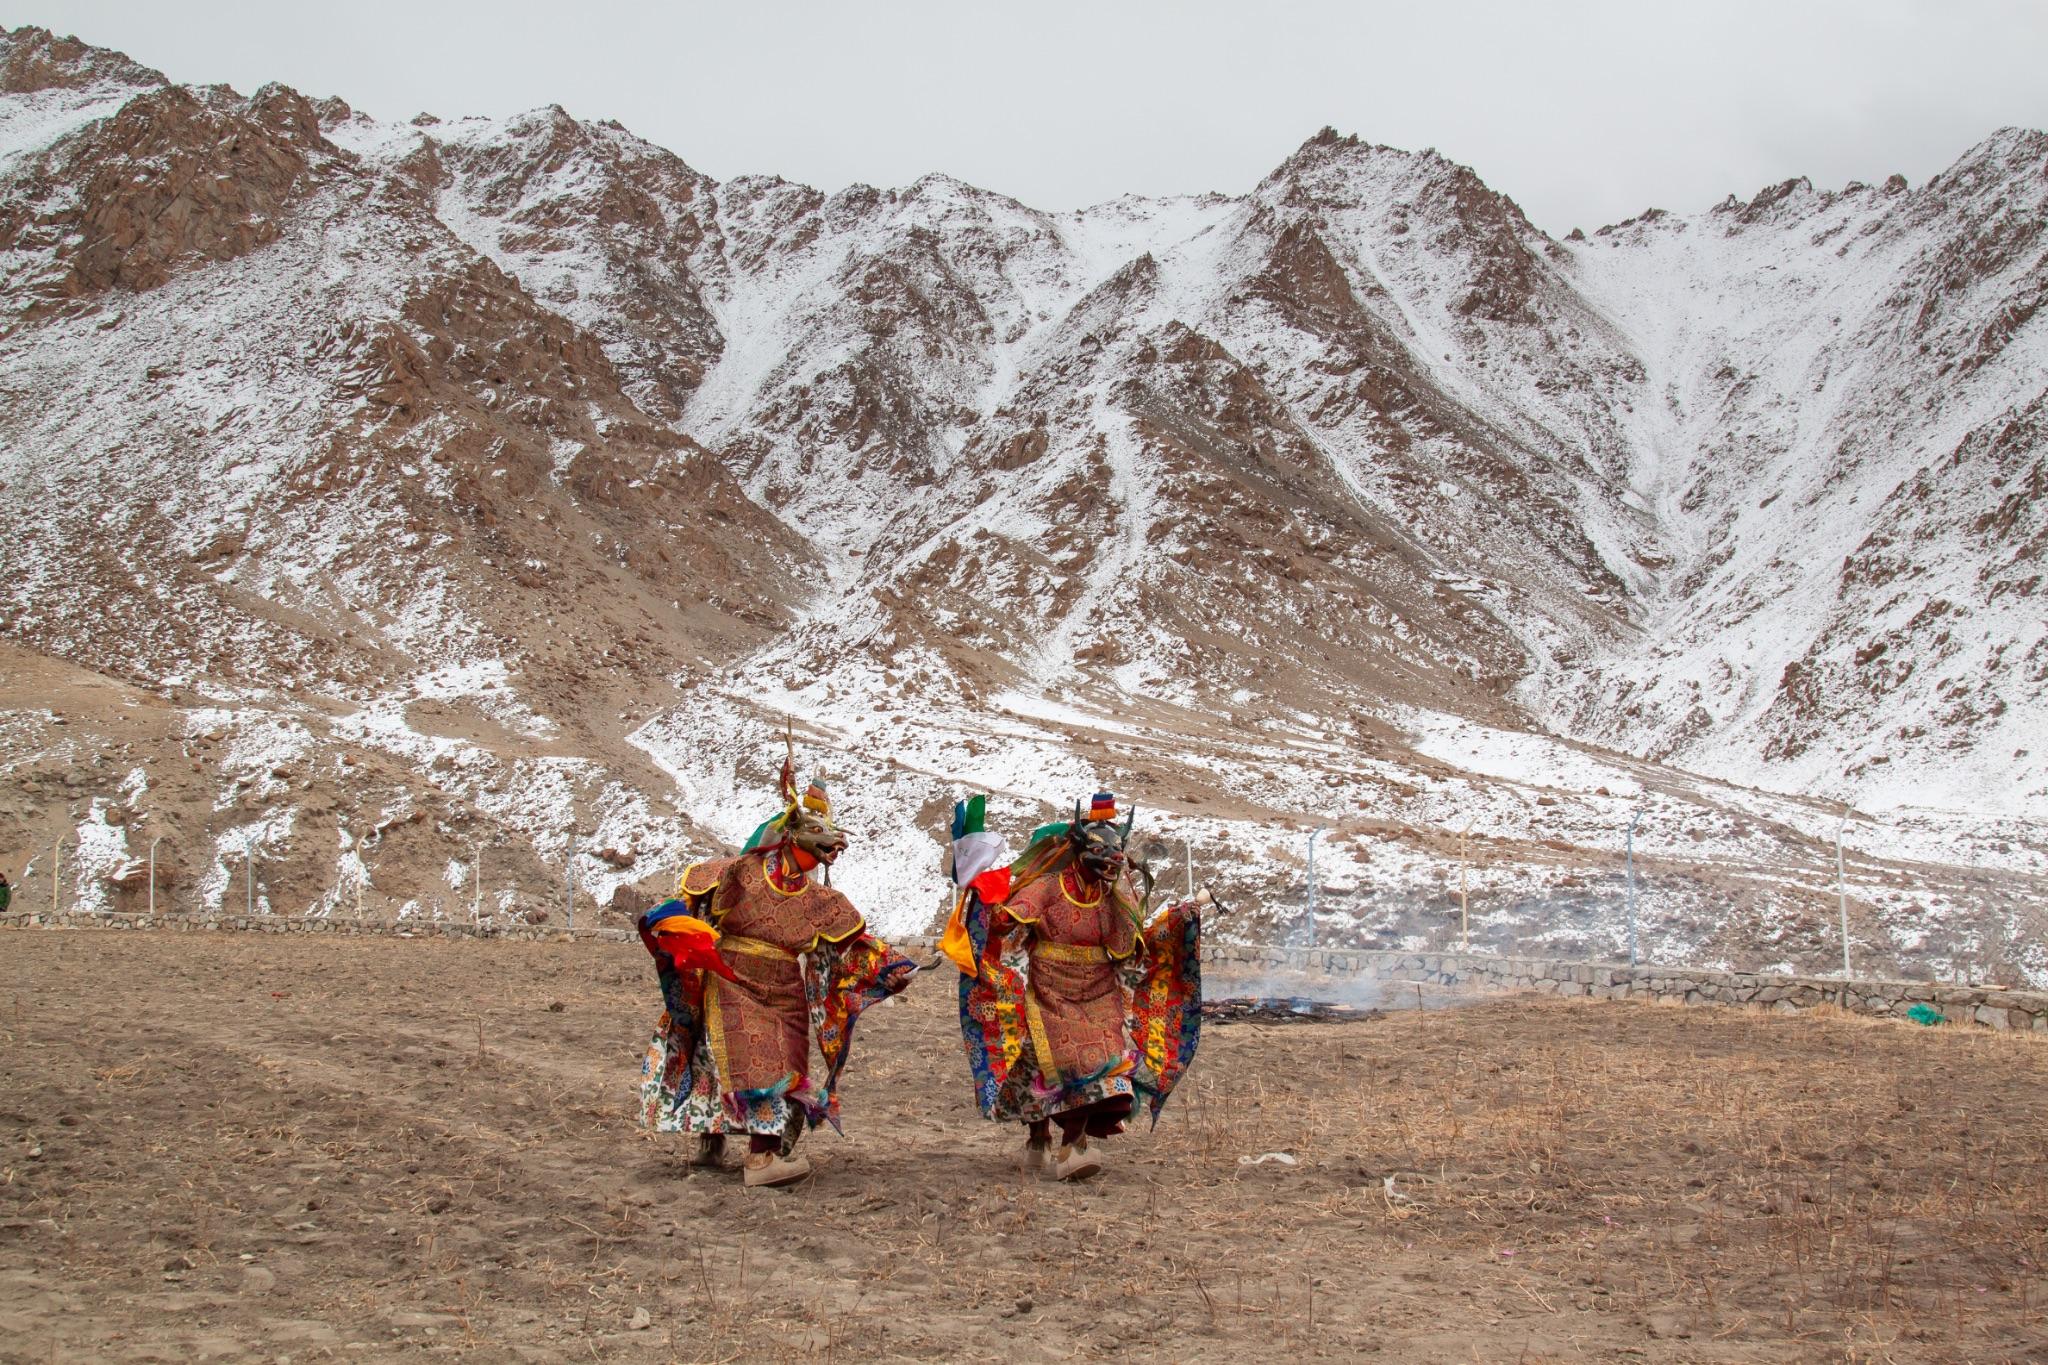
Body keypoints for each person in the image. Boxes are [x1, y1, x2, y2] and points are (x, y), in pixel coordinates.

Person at [636, 737, 918, 1188]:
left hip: (785, 991)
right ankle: (756, 1158)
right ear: (792, 833)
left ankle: (750, 1145)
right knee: (748, 1059)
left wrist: (895, 967)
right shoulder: (741, 873)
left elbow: (856, 942)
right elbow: (691, 896)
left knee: (784, 1064)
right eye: (822, 835)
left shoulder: (822, 900)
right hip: (732, 977)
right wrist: (669, 923)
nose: (833, 844)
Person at [944, 791, 1207, 1181]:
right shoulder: (1048, 887)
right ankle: (1040, 1137)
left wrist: (1181, 918)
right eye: (1103, 851)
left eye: (1117, 852)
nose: (1112, 861)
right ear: (1080, 849)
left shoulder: (1113, 897)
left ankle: (1074, 1145)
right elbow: (1006, 920)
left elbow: (1135, 944)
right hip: (1049, 990)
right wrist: (983, 894)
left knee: (1103, 1064)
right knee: (1053, 1066)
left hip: (1100, 993)